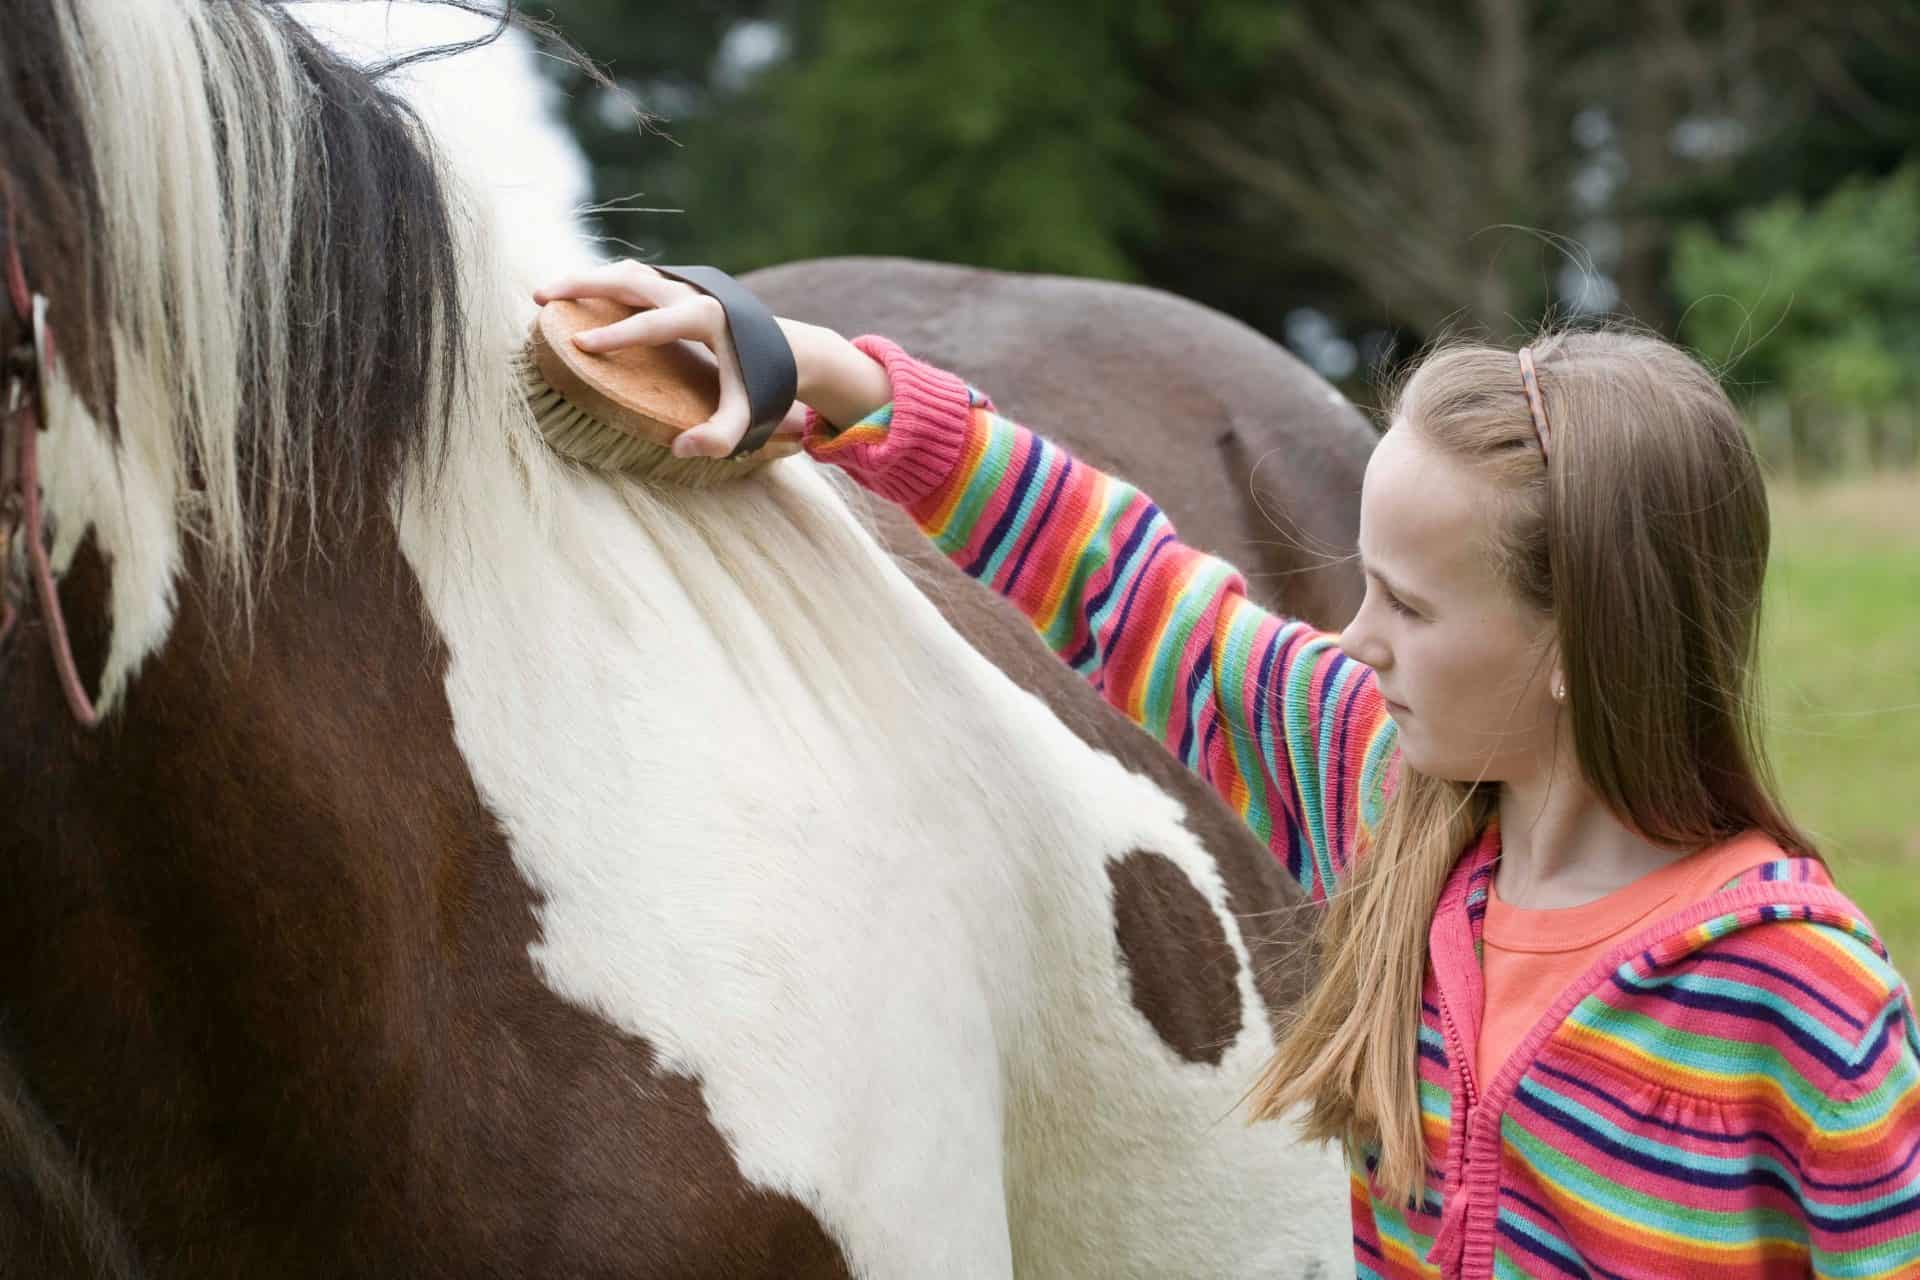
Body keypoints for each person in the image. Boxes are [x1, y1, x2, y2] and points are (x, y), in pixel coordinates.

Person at [534, 263, 1920, 1279]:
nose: (1357, 640)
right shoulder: (1381, 794)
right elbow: (1126, 585)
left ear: (1585, 644)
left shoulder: (1802, 997)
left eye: (1413, 611)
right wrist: (833, 377)